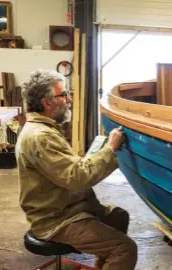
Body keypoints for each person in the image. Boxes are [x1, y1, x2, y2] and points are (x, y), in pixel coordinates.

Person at [16, 69, 137, 270]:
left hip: (65, 206)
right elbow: (77, 178)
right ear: (47, 103)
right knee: (124, 249)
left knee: (118, 216)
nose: (69, 99)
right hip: (56, 219)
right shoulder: (40, 136)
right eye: (63, 95)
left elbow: (67, 170)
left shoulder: (44, 129)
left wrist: (97, 156)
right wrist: (110, 149)